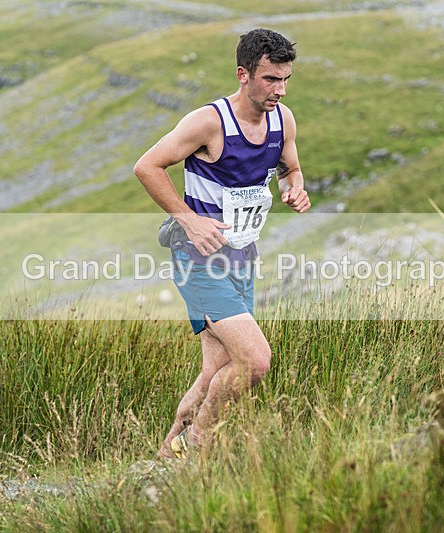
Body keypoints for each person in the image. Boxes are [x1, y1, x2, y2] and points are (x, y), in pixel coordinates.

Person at [133, 28, 310, 459]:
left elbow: (291, 167)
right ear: (243, 74)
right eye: (270, 79)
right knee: (255, 360)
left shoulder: (282, 120)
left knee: (216, 368)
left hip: (241, 258)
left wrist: (295, 187)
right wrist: (189, 220)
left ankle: (165, 459)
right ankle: (199, 443)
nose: (280, 90)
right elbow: (147, 166)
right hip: (197, 258)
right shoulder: (209, 122)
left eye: (285, 79)